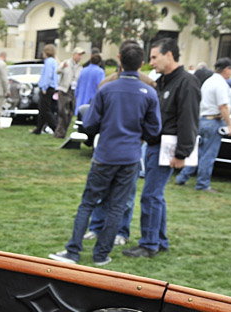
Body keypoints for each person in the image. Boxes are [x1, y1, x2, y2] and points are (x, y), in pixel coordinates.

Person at [48, 43, 160, 266]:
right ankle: (101, 255)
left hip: (106, 154)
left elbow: (89, 123)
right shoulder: (149, 92)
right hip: (130, 156)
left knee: (88, 202)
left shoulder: (107, 89)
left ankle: (73, 251)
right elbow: (154, 129)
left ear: (119, 60)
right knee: (117, 206)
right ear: (141, 64)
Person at [123, 37, 200, 259]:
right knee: (156, 196)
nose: (151, 62)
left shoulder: (186, 82)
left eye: (154, 57)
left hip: (169, 148)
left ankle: (149, 244)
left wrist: (181, 153)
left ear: (169, 55)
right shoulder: (164, 81)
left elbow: (189, 119)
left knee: (151, 195)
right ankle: (160, 240)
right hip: (156, 146)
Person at [176, 57, 231, 192]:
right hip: (213, 121)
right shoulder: (221, 84)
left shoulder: (208, 81)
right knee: (208, 155)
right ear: (226, 70)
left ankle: (182, 177)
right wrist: (230, 125)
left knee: (197, 153)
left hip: (202, 119)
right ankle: (202, 184)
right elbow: (223, 107)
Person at [54, 47, 84, 138]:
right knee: (63, 112)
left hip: (73, 91)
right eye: (78, 54)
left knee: (70, 112)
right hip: (64, 90)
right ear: (74, 54)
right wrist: (62, 67)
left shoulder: (80, 67)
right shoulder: (66, 63)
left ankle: (63, 132)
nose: (80, 57)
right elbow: (57, 71)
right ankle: (59, 133)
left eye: (81, 55)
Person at [32, 44, 58, 135]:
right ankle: (38, 129)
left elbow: (47, 75)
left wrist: (44, 87)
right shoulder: (54, 61)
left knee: (45, 110)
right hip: (52, 87)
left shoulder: (49, 62)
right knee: (42, 109)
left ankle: (55, 128)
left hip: (47, 88)